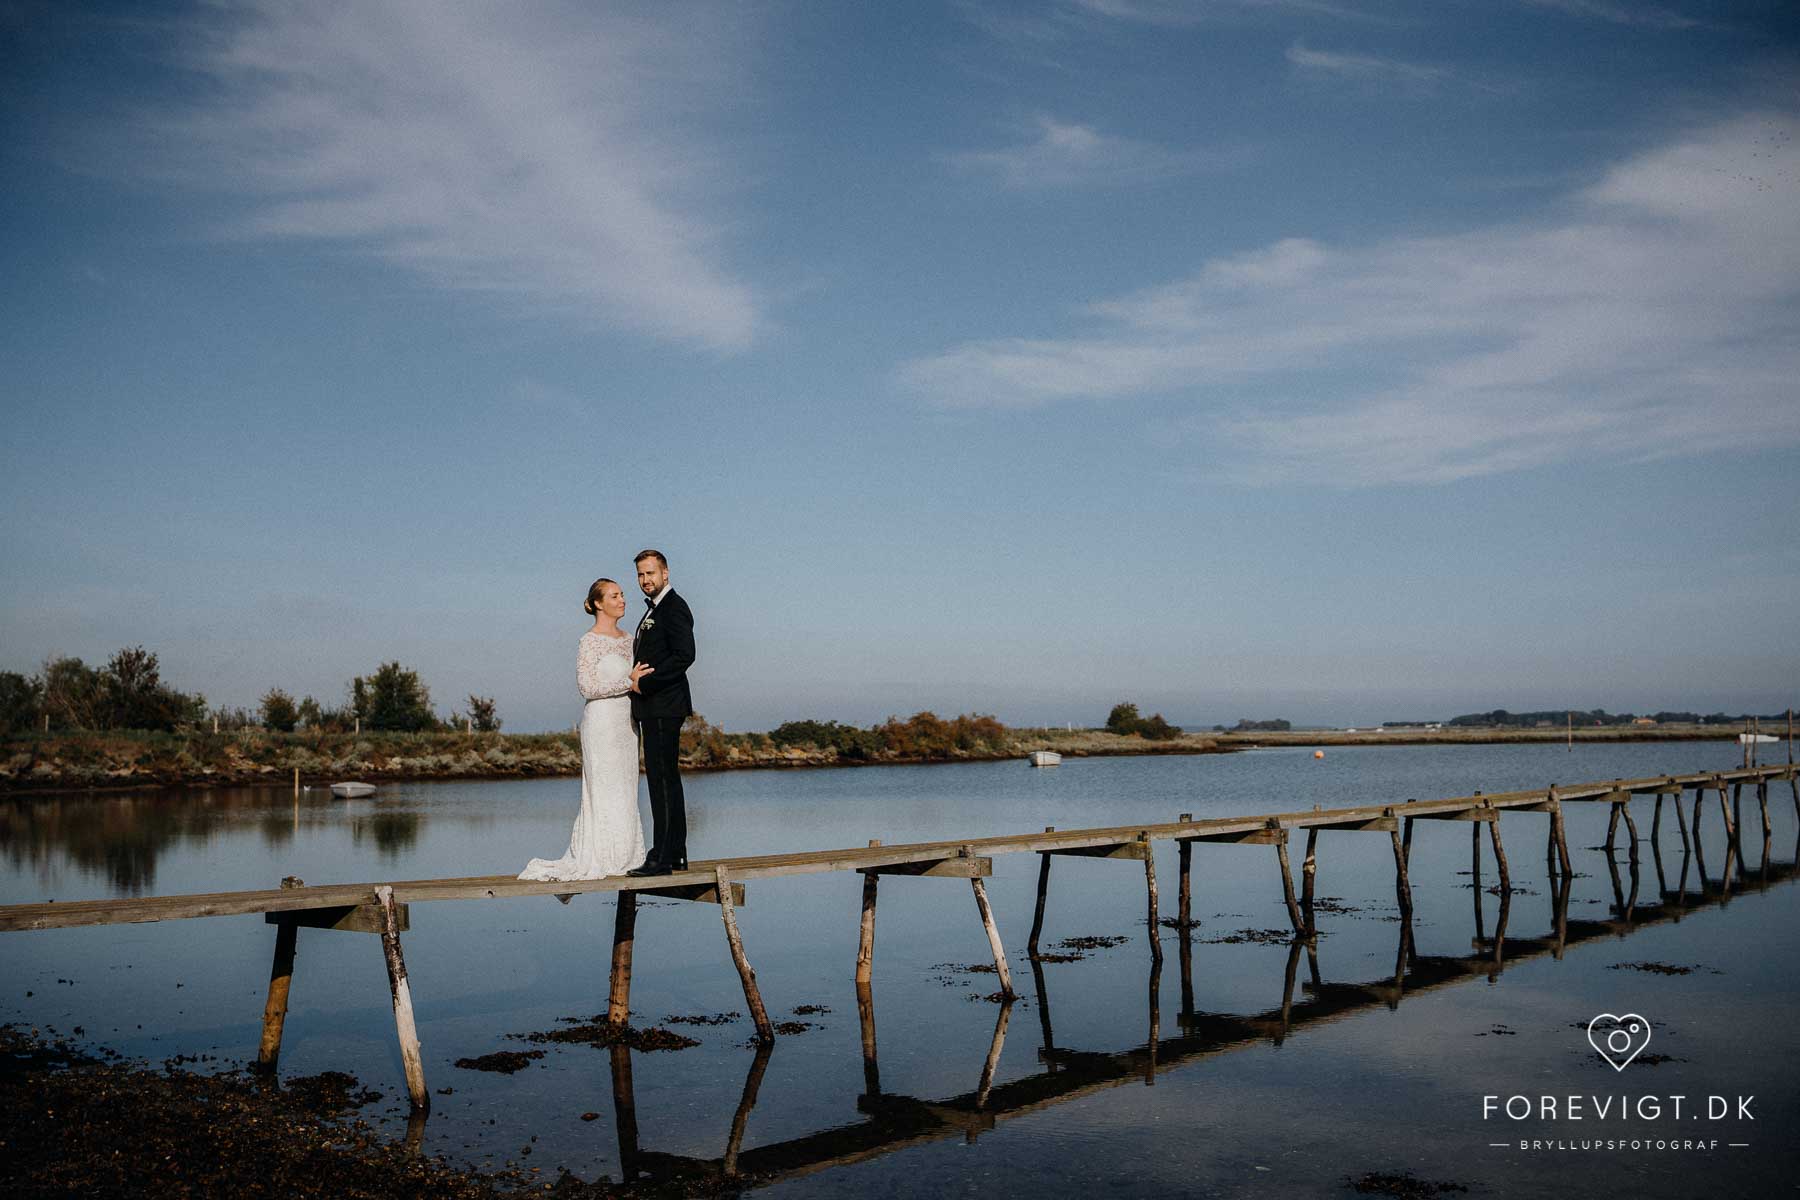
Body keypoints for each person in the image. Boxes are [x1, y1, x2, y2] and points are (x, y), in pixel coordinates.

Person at [518, 579, 651, 882]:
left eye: (622, 595)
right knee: (602, 789)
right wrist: (627, 682)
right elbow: (586, 687)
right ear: (599, 603)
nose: (623, 600)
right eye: (615, 596)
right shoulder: (588, 641)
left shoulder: (630, 638)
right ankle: (600, 856)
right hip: (601, 723)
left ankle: (627, 856)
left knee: (625, 789)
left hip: (627, 725)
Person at [626, 549, 695, 876]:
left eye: (650, 573)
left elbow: (685, 655)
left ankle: (661, 857)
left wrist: (646, 683)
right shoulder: (656, 610)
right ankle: (676, 853)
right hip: (656, 708)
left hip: (664, 705)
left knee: (661, 781)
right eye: (640, 575)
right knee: (666, 779)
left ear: (665, 573)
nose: (645, 580)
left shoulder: (674, 607)